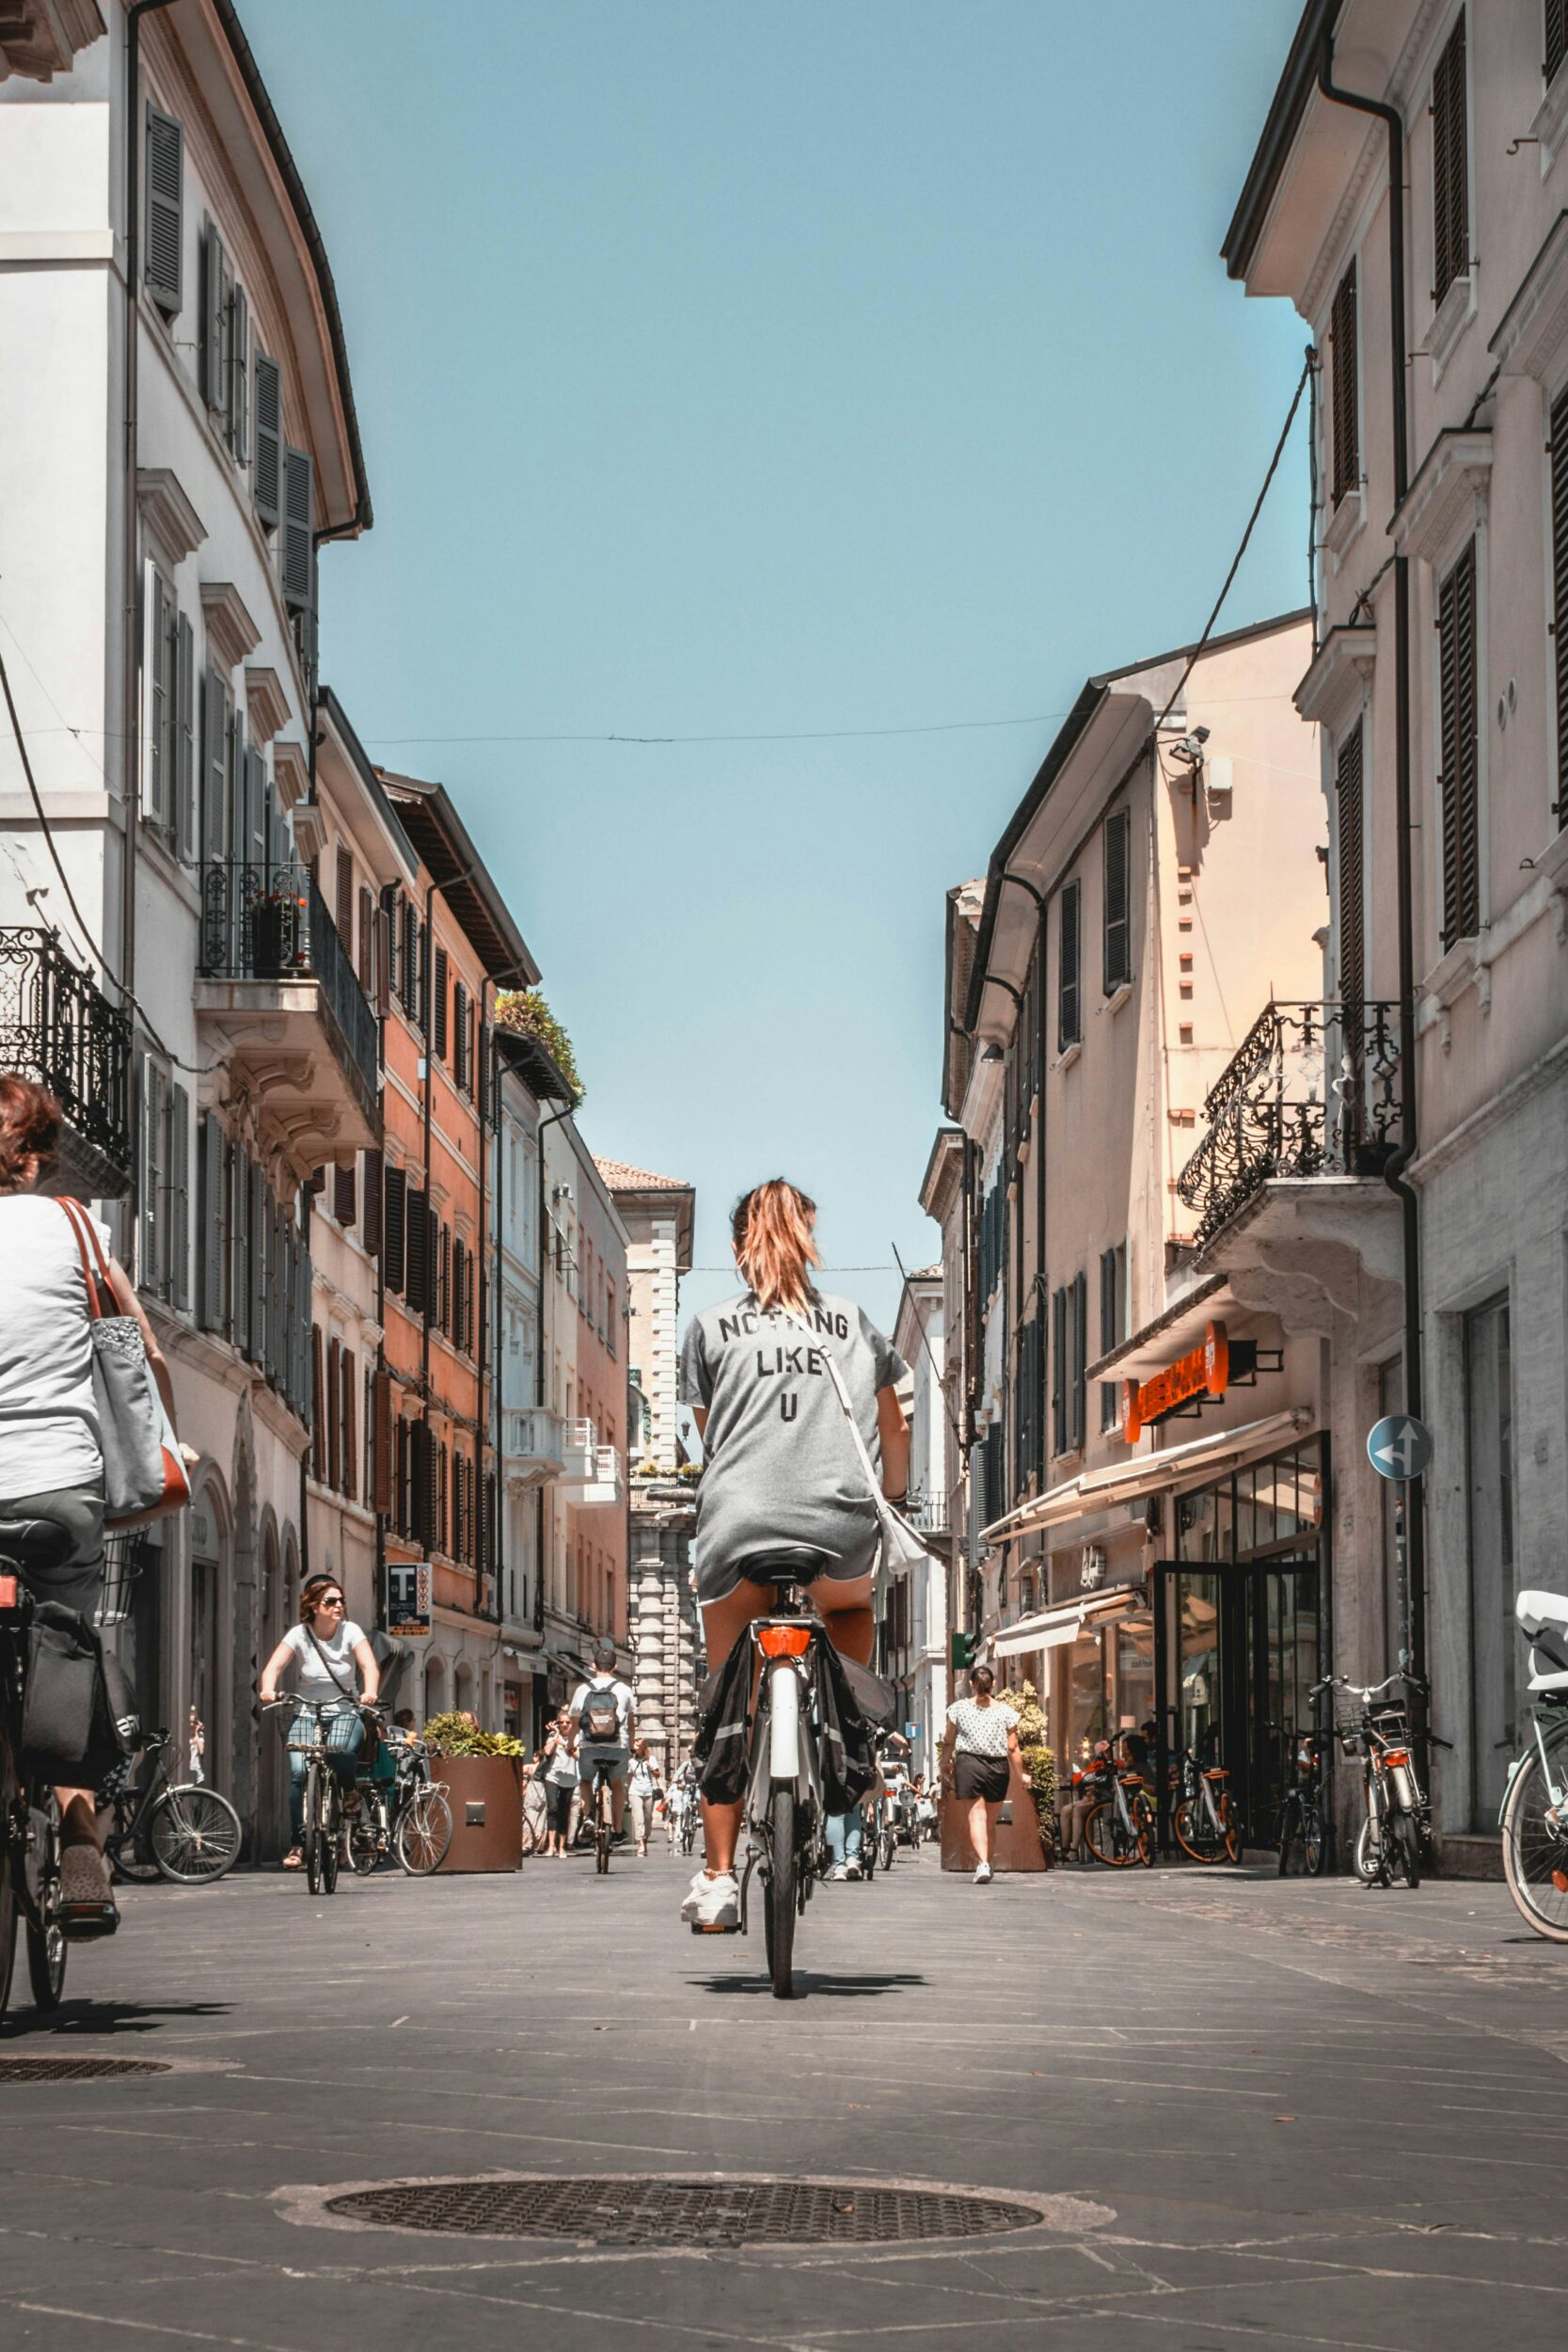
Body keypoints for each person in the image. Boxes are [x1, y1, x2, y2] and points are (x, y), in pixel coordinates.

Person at [675, 1178, 910, 1929]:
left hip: (736, 1522)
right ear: (810, 1237)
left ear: (737, 1245)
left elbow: (713, 1438)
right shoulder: (852, 1322)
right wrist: (893, 1498)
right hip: (838, 1524)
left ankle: (715, 1878)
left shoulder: (709, 1328)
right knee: (848, 1609)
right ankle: (851, 1737)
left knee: (724, 1700)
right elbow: (893, 1425)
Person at [0, 1075, 185, 1938]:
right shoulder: (76, 1226)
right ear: (36, 1158)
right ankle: (79, 1835)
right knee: (66, 1646)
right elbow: (136, 1345)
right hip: (55, 1489)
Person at [259, 1573, 379, 1869]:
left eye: (341, 1601)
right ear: (314, 1606)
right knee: (299, 1774)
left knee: (341, 1751)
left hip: (343, 1711)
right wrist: (267, 1688)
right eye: (331, 1601)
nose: (338, 1605)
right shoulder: (299, 1635)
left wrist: (370, 1692)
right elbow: (273, 1666)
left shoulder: (350, 1631)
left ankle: (349, 1791)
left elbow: (369, 1665)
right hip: (306, 1711)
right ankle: (298, 1844)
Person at [940, 1664, 1022, 1884]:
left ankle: (983, 1864)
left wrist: (945, 1762)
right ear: (993, 1684)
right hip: (998, 1767)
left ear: (971, 1684)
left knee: (977, 1817)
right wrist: (1022, 1774)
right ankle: (985, 1863)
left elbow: (949, 1739)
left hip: (969, 1764)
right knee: (990, 1821)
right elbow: (1013, 1747)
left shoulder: (957, 1709)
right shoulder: (1006, 1712)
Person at [569, 1642, 636, 1837]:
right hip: (618, 1745)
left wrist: (570, 1744)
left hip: (590, 1745)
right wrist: (631, 1746)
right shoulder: (624, 1689)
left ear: (593, 1666)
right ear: (615, 1667)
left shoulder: (583, 1689)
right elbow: (631, 1725)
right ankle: (616, 1829)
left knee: (586, 1780)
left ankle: (588, 1816)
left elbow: (574, 1723)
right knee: (617, 1784)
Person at [541, 1708, 578, 1855]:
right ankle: (551, 1846)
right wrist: (555, 1734)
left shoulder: (576, 1738)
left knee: (564, 1812)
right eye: (561, 1722)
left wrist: (563, 1743)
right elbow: (548, 1751)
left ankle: (562, 1847)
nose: (564, 1725)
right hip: (552, 1776)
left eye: (567, 1722)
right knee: (553, 1809)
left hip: (569, 1778)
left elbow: (578, 1756)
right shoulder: (553, 1735)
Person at [626, 1737, 661, 1856]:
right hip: (635, 1791)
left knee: (648, 1819)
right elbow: (629, 1777)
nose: (635, 1744)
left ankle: (645, 1840)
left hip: (648, 1791)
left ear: (643, 1747)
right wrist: (627, 1790)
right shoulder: (631, 1761)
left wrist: (651, 1770)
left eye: (638, 1743)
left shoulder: (651, 1759)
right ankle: (640, 1843)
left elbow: (658, 1775)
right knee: (638, 1818)